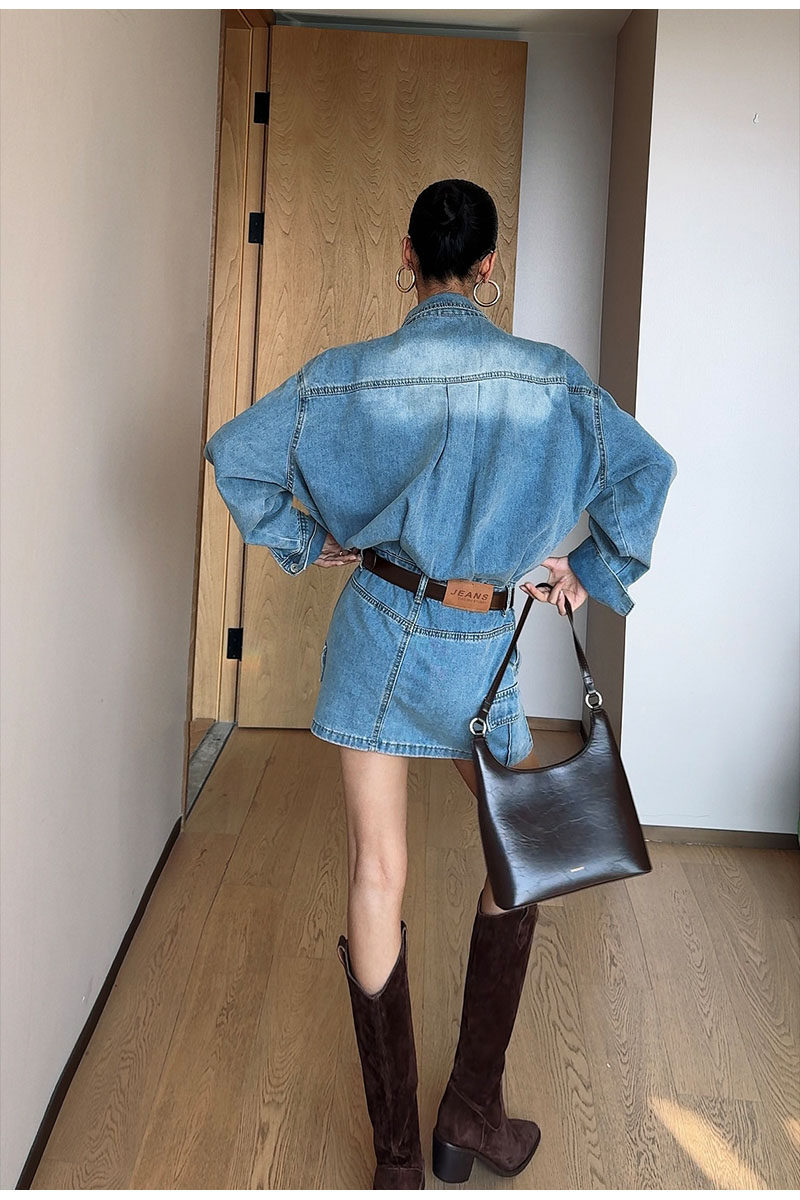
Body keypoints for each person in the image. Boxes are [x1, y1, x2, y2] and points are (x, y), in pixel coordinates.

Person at [203, 178, 677, 1189]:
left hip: (378, 630)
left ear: (407, 257)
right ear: (488, 267)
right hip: (483, 649)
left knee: (377, 872)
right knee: (523, 852)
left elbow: (236, 457)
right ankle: (469, 1113)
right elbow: (648, 472)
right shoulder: (553, 382)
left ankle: (395, 1167)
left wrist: (306, 541)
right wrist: (586, 571)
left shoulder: (347, 376)